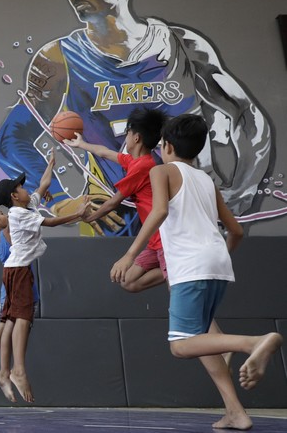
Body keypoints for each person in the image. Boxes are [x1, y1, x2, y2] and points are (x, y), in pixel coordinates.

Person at [0, 0, 271, 237]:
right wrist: (60, 200)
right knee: (120, 280)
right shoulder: (58, 58)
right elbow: (11, 140)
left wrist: (243, 191)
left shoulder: (181, 44)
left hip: (185, 193)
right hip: (113, 206)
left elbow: (245, 115)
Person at [111, 114, 283, 430]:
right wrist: (216, 257)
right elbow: (237, 231)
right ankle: (235, 412)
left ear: (165, 146)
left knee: (180, 345)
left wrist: (129, 254)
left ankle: (253, 343)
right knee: (202, 340)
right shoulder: (206, 180)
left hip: (191, 266)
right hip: (216, 264)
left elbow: (159, 211)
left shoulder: (161, 171)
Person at [0, 153, 88, 403]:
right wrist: (78, 214)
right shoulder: (19, 214)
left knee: (14, 318)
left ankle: (5, 370)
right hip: (19, 270)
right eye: (21, 187)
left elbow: (43, 185)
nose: (26, 189)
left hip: (14, 270)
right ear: (14, 196)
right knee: (23, 317)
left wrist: (51, 163)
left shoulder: (25, 207)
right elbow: (52, 223)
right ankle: (17, 370)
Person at [65, 107, 168, 292]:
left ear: (136, 137)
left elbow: (113, 202)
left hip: (165, 240)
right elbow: (104, 152)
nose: (125, 137)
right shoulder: (136, 161)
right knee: (128, 282)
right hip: (154, 241)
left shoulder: (143, 166)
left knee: (180, 299)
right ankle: (176, 271)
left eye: (127, 133)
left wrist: (91, 217)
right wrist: (81, 144)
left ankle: (177, 271)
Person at [0, 205, 39, 400]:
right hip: (15, 281)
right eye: (1, 214)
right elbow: (18, 217)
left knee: (6, 324)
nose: (6, 215)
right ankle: (2, 368)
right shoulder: (6, 232)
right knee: (8, 324)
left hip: (12, 282)